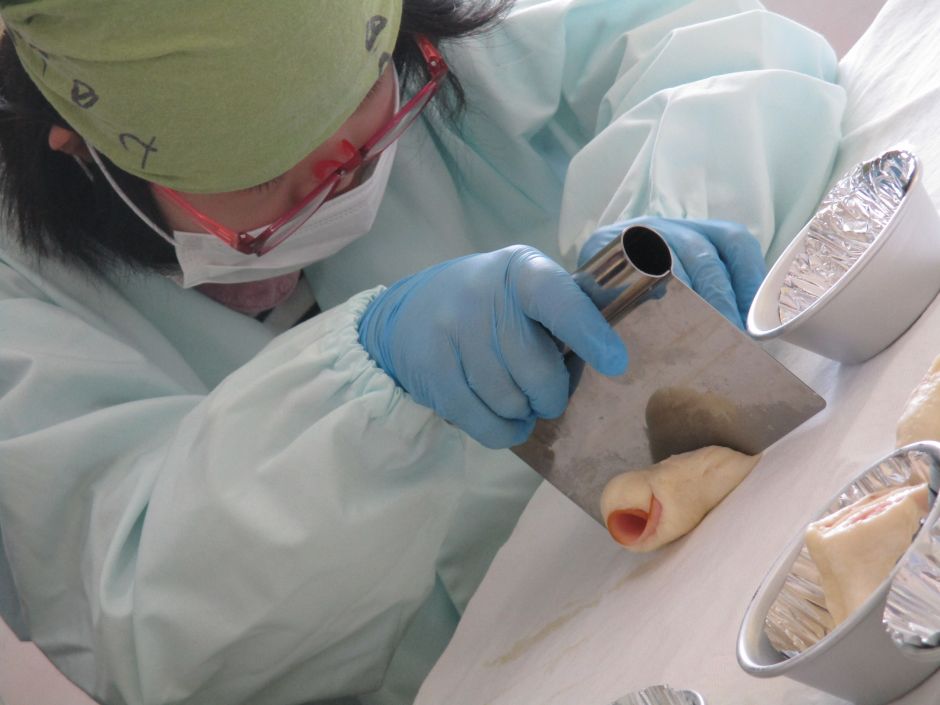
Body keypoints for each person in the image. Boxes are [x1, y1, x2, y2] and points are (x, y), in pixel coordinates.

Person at [0, 0, 845, 703]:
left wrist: (673, 207)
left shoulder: (407, 39)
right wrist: (368, 383)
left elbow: (714, 50)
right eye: (267, 185)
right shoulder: (24, 311)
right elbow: (138, 619)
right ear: (81, 145)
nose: (338, 184)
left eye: (359, 133)